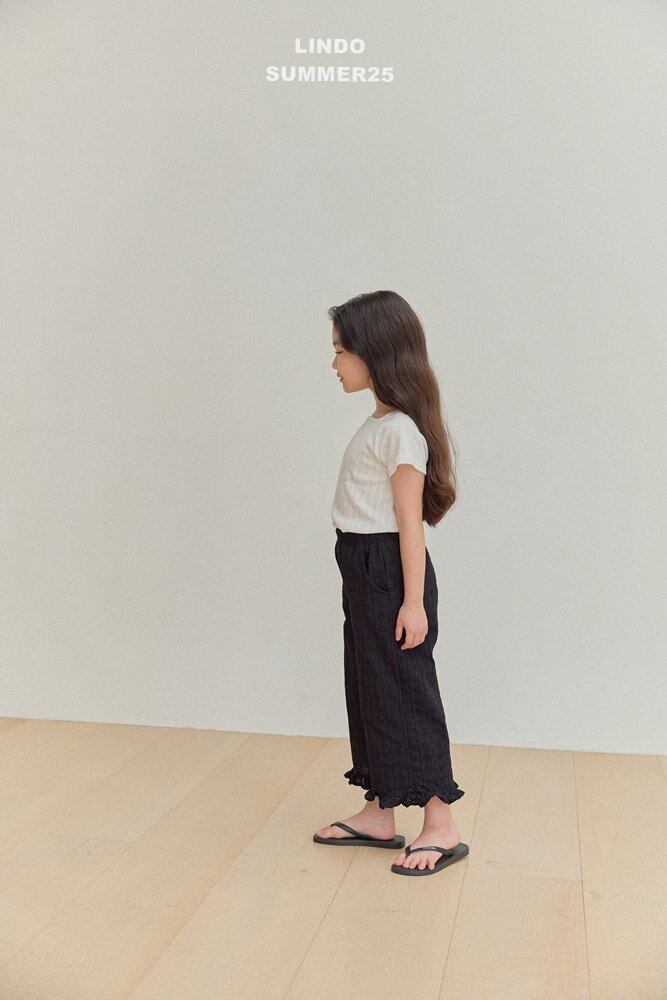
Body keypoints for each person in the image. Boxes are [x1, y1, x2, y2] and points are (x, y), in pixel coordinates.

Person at [313, 290, 469, 877]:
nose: (334, 363)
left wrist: (413, 602)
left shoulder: (400, 431)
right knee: (369, 686)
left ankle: (440, 823)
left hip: (387, 570)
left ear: (373, 352)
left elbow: (410, 524)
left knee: (404, 690)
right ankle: (380, 812)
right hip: (362, 566)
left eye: (341, 351)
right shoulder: (379, 423)